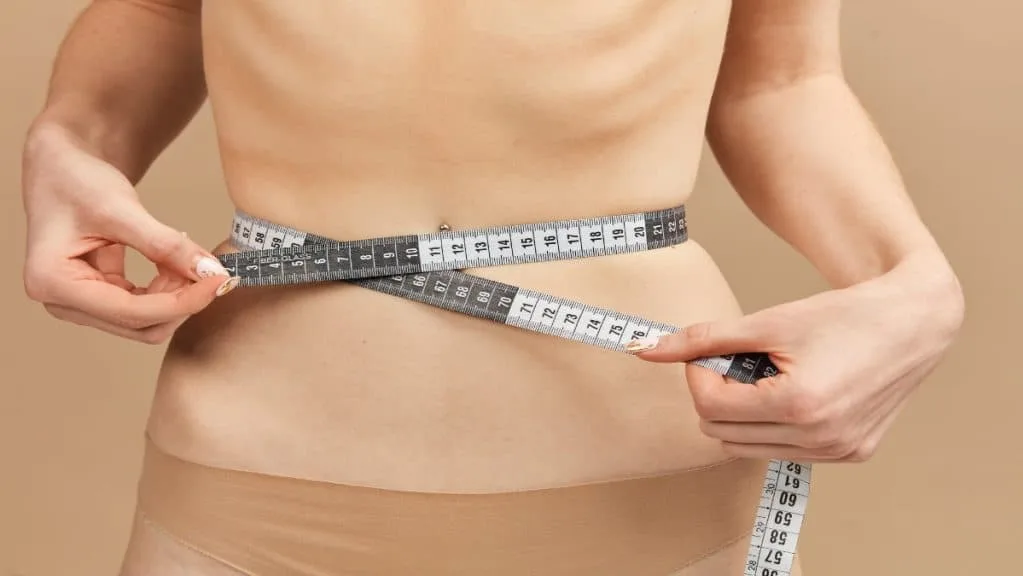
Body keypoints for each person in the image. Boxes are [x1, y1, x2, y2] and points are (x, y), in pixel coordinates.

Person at [20, 0, 964, 574]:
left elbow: (781, 76)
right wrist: (67, 143)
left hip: (649, 491)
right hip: (247, 485)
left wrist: (917, 284)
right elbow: (159, 9)